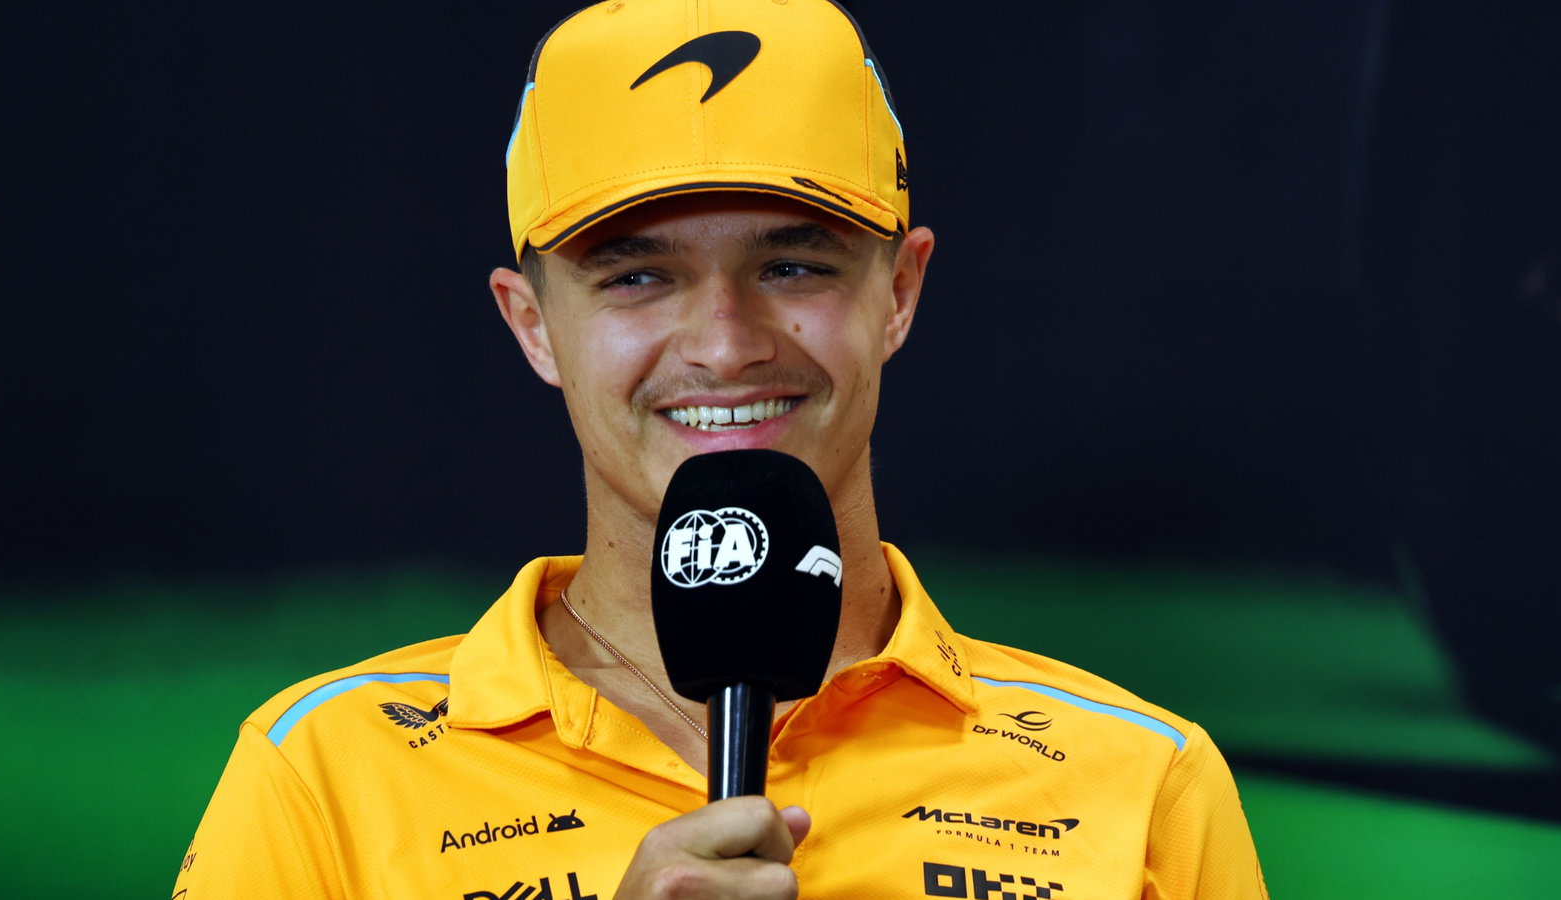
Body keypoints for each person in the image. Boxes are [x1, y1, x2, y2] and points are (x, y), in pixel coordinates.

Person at [173, 1, 1268, 897]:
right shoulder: (322, 773)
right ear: (530, 323)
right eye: (636, 276)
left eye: (793, 266)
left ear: (900, 292)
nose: (726, 346)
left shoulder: (1140, 783)